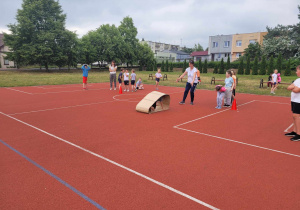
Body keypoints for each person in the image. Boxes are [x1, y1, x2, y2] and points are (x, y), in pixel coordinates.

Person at [286, 65, 300, 141]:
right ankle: (295, 131)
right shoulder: (297, 80)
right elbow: (289, 87)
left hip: (299, 101)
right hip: (294, 100)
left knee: (297, 116)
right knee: (294, 116)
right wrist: (293, 87)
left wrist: (293, 88)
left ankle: (299, 134)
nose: (296, 72)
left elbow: (297, 90)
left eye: (297, 70)